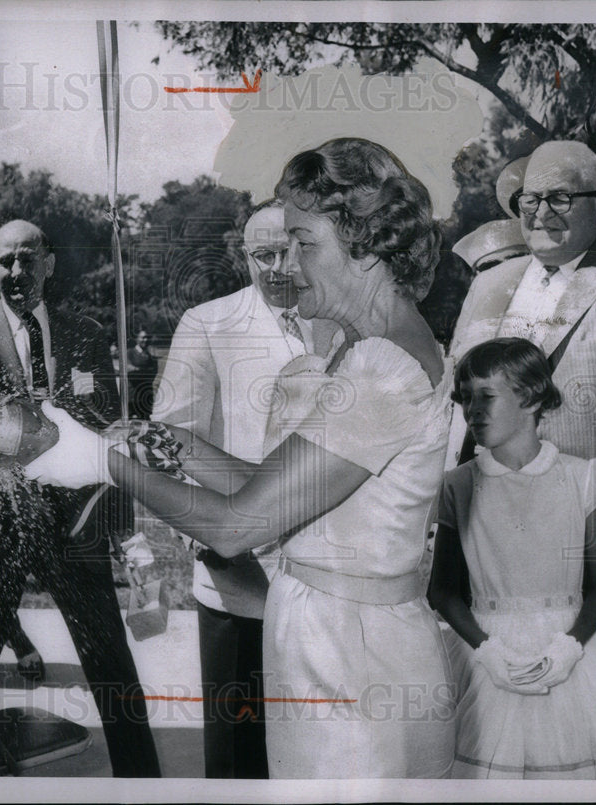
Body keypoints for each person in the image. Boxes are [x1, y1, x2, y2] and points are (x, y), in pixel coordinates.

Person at [31, 138, 458, 778]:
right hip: (328, 635)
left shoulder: (384, 365)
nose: (286, 265)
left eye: (304, 244)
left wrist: (103, 462)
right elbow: (278, 490)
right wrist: (170, 443)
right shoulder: (363, 345)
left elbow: (240, 526)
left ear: (366, 245)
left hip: (356, 653)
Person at [447, 141, 596, 706]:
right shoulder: (490, 285)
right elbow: (459, 412)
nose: (540, 214)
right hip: (495, 559)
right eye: (529, 200)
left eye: (560, 198)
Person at [429, 337, 596, 779]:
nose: (472, 411)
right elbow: (442, 590)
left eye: (486, 396)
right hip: (487, 647)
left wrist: (569, 647)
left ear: (529, 398)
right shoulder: (457, 485)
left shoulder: (586, 478)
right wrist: (486, 650)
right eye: (466, 399)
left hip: (573, 646)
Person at [151, 199, 340, 778]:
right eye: (264, 254)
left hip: (329, 583)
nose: (279, 268)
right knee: (240, 759)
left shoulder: (341, 326)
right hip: (240, 582)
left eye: (292, 251)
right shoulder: (207, 324)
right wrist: (203, 535)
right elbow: (168, 439)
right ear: (244, 257)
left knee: (319, 749)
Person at [0, 219, 161, 777]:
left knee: (111, 662)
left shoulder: (85, 332)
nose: (16, 273)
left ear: (50, 263)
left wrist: (128, 538)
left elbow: (110, 436)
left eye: (27, 259)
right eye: (5, 261)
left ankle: (142, 783)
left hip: (75, 526)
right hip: (0, 531)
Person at [126, 329, 158, 418]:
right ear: (137, 339)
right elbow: (129, 369)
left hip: (146, 395)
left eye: (147, 338)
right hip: (133, 395)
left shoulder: (150, 355)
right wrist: (143, 371)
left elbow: (154, 372)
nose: (145, 340)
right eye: (143, 338)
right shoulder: (130, 353)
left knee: (146, 422)